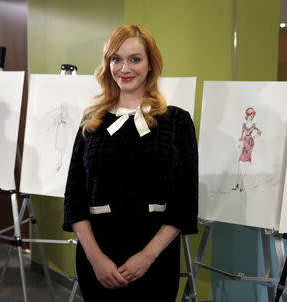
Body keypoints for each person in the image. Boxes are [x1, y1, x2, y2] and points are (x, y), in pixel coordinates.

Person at [62, 24, 198, 302]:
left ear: (151, 65)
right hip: (98, 259)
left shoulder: (176, 121)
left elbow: (185, 201)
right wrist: (96, 259)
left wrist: (147, 257)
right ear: (107, 63)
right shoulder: (92, 120)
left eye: (135, 59)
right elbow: (74, 198)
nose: (125, 68)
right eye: (116, 59)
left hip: (156, 259)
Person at [232, 107, 261, 192]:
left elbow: (260, 132)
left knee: (245, 165)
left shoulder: (254, 125)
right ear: (247, 115)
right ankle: (237, 184)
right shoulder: (244, 125)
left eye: (252, 115)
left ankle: (241, 185)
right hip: (244, 143)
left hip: (250, 144)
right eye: (250, 115)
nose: (251, 117)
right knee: (240, 163)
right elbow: (241, 136)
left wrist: (253, 137)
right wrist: (239, 144)